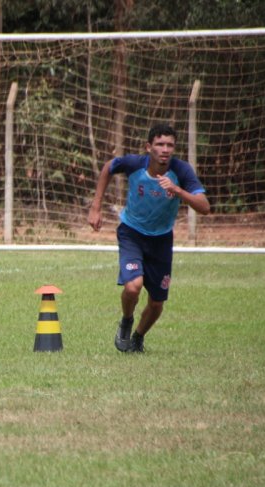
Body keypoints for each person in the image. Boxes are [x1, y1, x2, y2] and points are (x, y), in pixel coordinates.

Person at [88, 123, 210, 352]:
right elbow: (108, 167)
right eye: (160, 144)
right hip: (132, 233)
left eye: (170, 145)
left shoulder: (181, 171)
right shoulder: (135, 164)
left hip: (161, 240)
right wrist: (96, 207)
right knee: (133, 287)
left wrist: (179, 191)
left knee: (156, 303)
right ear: (148, 147)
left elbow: (204, 207)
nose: (165, 149)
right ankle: (126, 321)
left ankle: (138, 338)